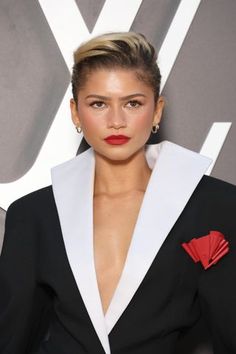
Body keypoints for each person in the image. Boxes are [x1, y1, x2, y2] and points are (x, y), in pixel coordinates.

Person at [0, 32, 235, 354]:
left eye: (133, 103)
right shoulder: (34, 213)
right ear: (75, 112)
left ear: (156, 111)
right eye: (98, 103)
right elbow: (11, 336)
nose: (116, 121)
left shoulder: (214, 205)